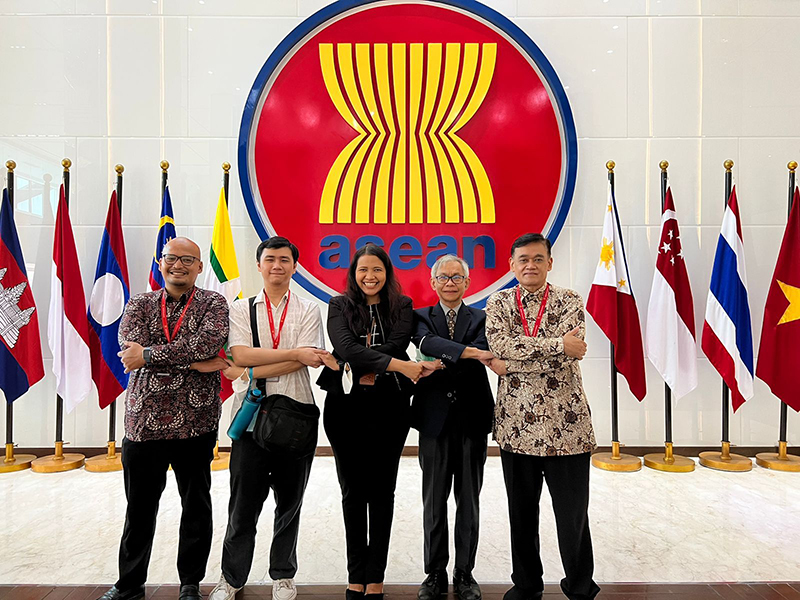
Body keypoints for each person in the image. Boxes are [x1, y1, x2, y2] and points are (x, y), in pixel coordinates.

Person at [97, 237, 232, 600]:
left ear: (200, 267)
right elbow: (130, 351)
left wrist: (152, 355)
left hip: (196, 422)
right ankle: (129, 584)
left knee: (196, 506)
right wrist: (193, 363)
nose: (179, 265)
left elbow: (208, 344)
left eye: (188, 260)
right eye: (172, 258)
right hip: (144, 425)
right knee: (139, 510)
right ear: (160, 263)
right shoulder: (140, 303)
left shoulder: (213, 303)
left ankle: (190, 582)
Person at [209, 236, 328, 600]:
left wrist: (263, 359)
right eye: (270, 259)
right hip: (252, 416)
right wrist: (293, 353)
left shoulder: (309, 310)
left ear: (295, 266)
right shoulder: (242, 309)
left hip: (295, 414)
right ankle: (231, 578)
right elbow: (242, 355)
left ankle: (283, 574)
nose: (277, 266)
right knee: (242, 504)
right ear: (259, 265)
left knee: (290, 503)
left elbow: (307, 359)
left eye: (285, 260)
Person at [484, 233, 599, 600]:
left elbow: (571, 353)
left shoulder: (569, 300)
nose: (530, 265)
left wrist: (513, 365)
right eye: (523, 259)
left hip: (567, 428)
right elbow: (500, 346)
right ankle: (527, 583)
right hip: (516, 427)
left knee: (573, 516)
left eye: (537, 258)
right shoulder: (499, 302)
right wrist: (554, 346)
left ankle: (580, 585)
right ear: (511, 265)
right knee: (521, 513)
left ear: (550, 262)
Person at [317, 243, 424, 600]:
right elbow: (344, 348)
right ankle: (355, 575)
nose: (370, 276)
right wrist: (399, 366)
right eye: (363, 270)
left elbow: (395, 345)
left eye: (376, 269)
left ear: (387, 273)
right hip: (345, 408)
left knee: (382, 492)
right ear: (353, 273)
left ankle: (375, 576)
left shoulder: (403, 306)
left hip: (390, 407)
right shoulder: (338, 305)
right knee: (352, 491)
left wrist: (365, 359)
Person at [410, 254, 496, 600]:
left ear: (467, 283)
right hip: (433, 421)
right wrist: (471, 355)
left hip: (473, 419)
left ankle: (465, 573)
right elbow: (426, 344)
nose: (449, 282)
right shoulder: (420, 317)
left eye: (456, 277)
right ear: (433, 283)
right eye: (443, 277)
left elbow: (483, 346)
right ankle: (434, 573)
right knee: (433, 501)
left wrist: (448, 356)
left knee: (469, 501)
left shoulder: (483, 318)